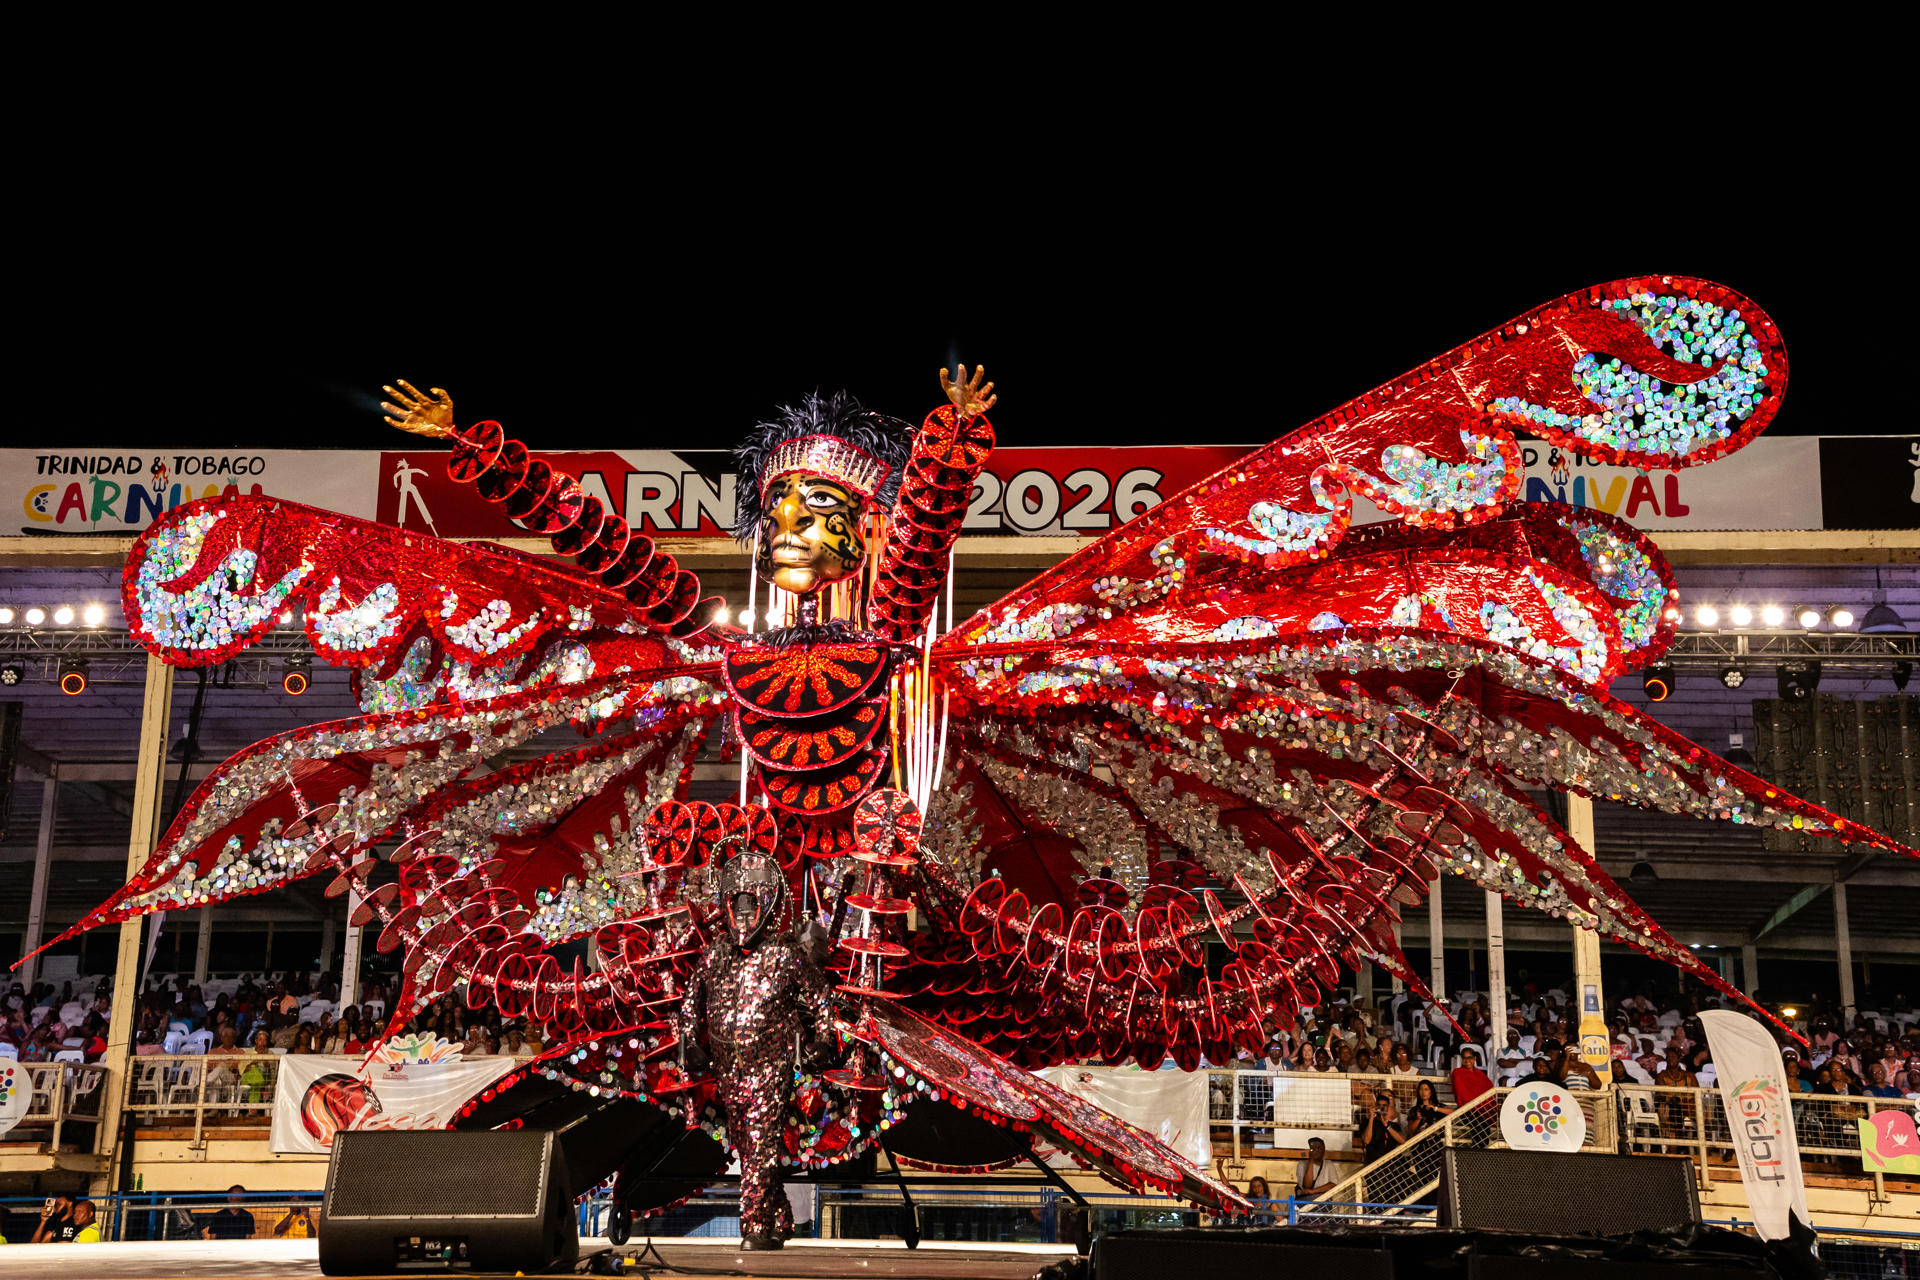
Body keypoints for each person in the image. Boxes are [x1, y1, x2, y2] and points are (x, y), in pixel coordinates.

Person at [1359, 1090, 1405, 1164]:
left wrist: (1387, 1126)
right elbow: (1366, 1140)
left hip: (1390, 1163)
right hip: (1373, 1163)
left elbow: (1402, 1140)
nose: (1381, 1108)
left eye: (1384, 1106)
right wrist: (1371, 1118)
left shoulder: (1392, 1125)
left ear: (1388, 1107)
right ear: (1375, 1106)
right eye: (1379, 1105)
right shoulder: (1367, 1122)